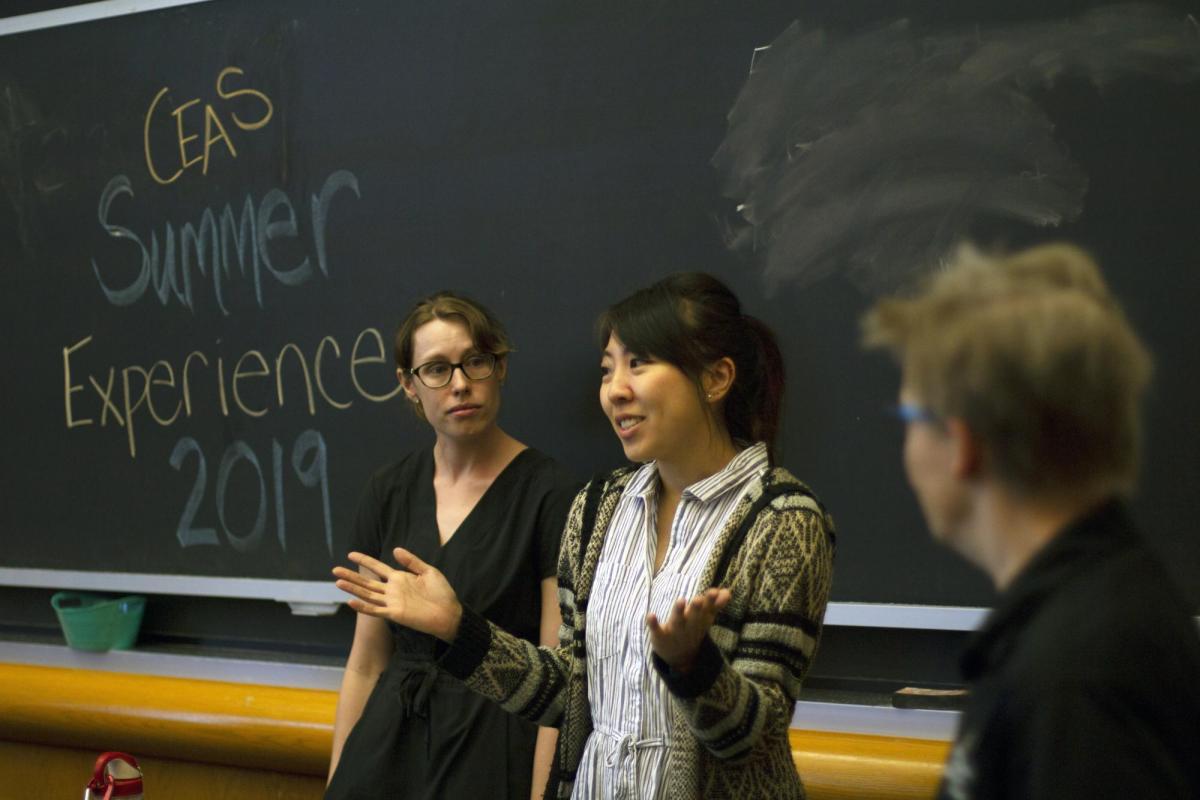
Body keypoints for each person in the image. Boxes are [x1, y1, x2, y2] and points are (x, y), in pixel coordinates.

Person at [334, 272, 836, 799]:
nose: (615, 390)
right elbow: (570, 698)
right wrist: (459, 628)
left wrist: (695, 667)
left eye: (639, 363)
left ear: (715, 379)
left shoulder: (783, 518)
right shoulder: (599, 508)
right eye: (607, 370)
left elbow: (754, 744)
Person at [862, 242, 1200, 799]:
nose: (905, 447)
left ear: (962, 443)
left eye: (909, 417)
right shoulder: (1088, 619)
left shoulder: (1077, 677)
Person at [325, 291, 578, 800]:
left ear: (499, 367)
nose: (460, 384)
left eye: (475, 362)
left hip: (494, 746)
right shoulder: (388, 491)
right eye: (436, 369)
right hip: (388, 745)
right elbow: (366, 662)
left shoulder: (551, 492)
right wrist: (337, 781)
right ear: (409, 385)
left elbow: (560, 679)